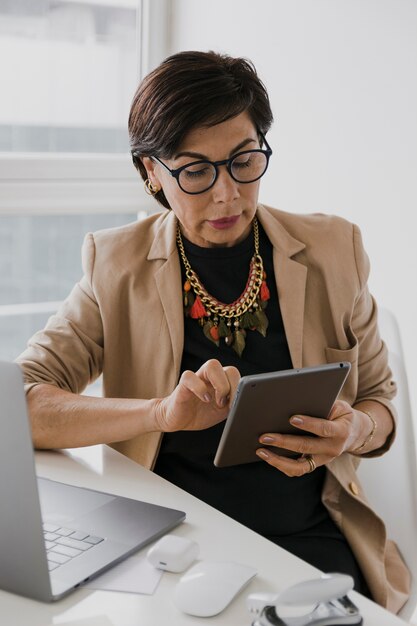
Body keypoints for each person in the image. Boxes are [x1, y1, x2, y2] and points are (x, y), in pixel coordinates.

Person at [17, 50, 409, 613]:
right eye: (195, 170)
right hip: (171, 541)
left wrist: (355, 431)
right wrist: (158, 413)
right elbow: (21, 401)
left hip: (310, 535)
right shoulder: (115, 263)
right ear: (152, 172)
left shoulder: (333, 250)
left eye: (244, 160)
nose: (227, 193)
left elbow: (380, 402)